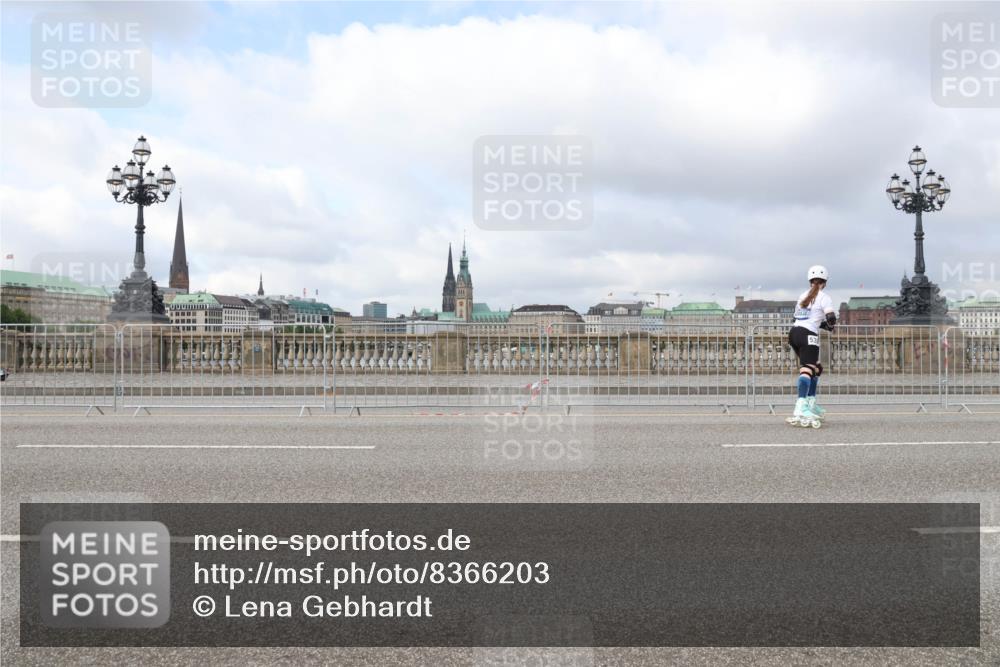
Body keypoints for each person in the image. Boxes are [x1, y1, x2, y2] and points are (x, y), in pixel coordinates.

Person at [786, 265, 836, 428]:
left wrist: (821, 323)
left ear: (810, 280)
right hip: (808, 335)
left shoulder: (802, 296)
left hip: (794, 333)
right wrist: (830, 324)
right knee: (807, 370)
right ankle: (801, 407)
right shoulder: (824, 297)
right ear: (825, 282)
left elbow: (802, 317)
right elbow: (831, 318)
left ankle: (811, 403)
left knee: (816, 368)